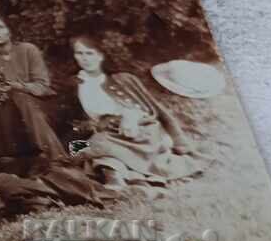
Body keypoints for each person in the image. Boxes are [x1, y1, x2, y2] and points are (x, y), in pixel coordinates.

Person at [63, 35, 209, 189]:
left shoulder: (124, 79)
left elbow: (156, 110)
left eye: (90, 53)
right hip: (106, 133)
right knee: (85, 146)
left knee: (99, 145)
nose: (85, 58)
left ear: (101, 56)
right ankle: (123, 177)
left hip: (140, 130)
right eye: (79, 53)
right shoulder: (73, 85)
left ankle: (134, 176)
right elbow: (69, 121)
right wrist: (87, 128)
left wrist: (131, 115)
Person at [0, 14, 66, 169]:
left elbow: (43, 86)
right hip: (9, 110)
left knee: (21, 97)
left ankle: (56, 156)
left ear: (10, 31)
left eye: (0, 27)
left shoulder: (28, 50)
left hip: (40, 106)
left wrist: (17, 86)